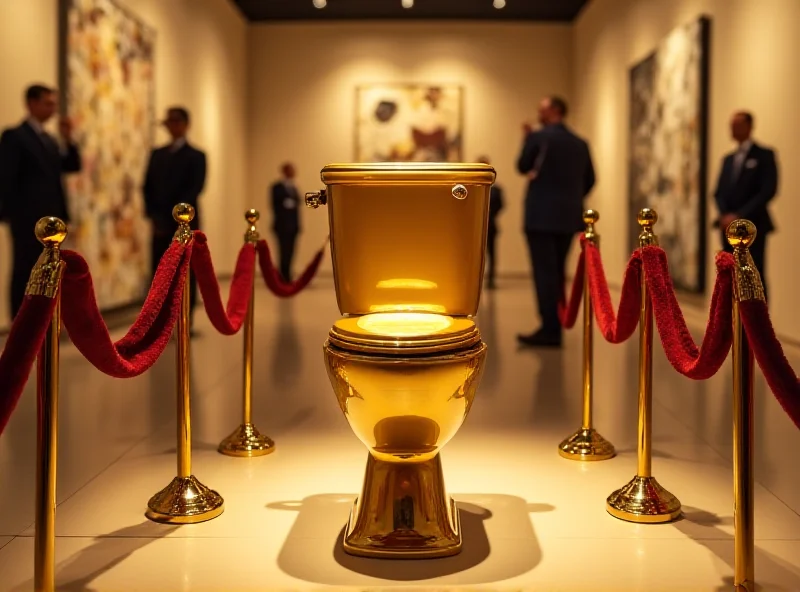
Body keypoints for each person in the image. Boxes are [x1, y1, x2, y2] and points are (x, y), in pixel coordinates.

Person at [516, 96, 595, 348]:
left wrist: (526, 138)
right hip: (568, 217)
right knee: (559, 272)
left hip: (540, 216)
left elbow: (522, 165)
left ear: (556, 110)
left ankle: (549, 328)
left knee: (544, 272)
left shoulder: (539, 138)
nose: (539, 111)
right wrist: (571, 198)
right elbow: (591, 178)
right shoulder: (580, 143)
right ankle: (555, 324)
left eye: (544, 108)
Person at [0, 84, 82, 319]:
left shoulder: (50, 139)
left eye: (54, 104)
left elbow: (71, 166)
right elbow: (6, 178)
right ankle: (19, 323)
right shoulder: (15, 136)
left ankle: (40, 322)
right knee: (24, 270)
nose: (53, 109)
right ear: (31, 104)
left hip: (50, 221)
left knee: (47, 272)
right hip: (26, 220)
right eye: (48, 103)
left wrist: (68, 139)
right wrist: (12, 214)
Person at [143, 106, 206, 329]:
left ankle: (183, 320)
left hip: (184, 224)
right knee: (159, 272)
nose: (173, 126)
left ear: (186, 124)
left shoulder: (197, 156)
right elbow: (147, 187)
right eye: (169, 122)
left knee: (185, 272)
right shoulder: (157, 154)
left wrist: (176, 217)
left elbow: (194, 189)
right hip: (159, 223)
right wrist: (154, 215)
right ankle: (157, 322)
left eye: (177, 121)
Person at [713, 111, 778, 299]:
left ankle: (758, 324)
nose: (733, 129)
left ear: (749, 126)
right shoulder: (728, 160)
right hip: (728, 229)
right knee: (730, 275)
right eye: (731, 125)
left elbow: (767, 191)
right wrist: (726, 216)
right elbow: (718, 192)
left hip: (754, 227)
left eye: (737, 125)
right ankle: (733, 322)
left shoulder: (764, 156)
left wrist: (740, 215)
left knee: (754, 274)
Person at [270, 162, 301, 281]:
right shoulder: (277, 187)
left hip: (293, 225)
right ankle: (283, 275)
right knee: (283, 250)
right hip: (282, 225)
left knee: (291, 251)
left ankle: (288, 273)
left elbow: (298, 203)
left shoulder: (294, 187)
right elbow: (275, 204)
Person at [478, 155, 504, 289]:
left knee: (492, 254)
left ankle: (491, 280)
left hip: (490, 225)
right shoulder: (473, 187)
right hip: (475, 227)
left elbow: (501, 205)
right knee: (476, 255)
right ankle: (477, 280)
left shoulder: (496, 189)